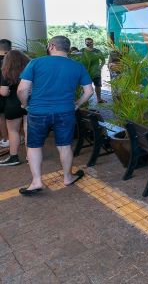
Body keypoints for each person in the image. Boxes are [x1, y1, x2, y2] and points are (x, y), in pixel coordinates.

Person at [16, 36, 93, 194]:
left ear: (51, 46)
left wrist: (25, 104)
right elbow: (89, 91)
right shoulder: (77, 66)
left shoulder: (36, 63)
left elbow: (22, 90)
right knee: (64, 146)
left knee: (34, 145)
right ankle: (67, 177)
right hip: (65, 111)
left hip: (38, 111)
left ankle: (37, 181)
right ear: (67, 48)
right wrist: (77, 104)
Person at [0, 51, 30, 166]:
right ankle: (30, 156)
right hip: (28, 102)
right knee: (28, 130)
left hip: (13, 104)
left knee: (13, 131)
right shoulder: (30, 69)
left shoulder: (6, 71)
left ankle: (14, 157)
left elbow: (4, 92)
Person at [80, 37, 106, 103]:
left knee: (98, 86)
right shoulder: (82, 50)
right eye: (87, 42)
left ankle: (99, 99)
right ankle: (85, 101)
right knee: (85, 86)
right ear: (85, 43)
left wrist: (100, 67)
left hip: (96, 72)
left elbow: (103, 60)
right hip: (86, 72)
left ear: (93, 42)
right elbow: (77, 59)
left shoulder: (97, 51)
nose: (89, 43)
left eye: (90, 42)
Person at [0, 39, 12, 152]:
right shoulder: (13, 60)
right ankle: (9, 138)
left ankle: (5, 139)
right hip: (11, 93)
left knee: (1, 117)